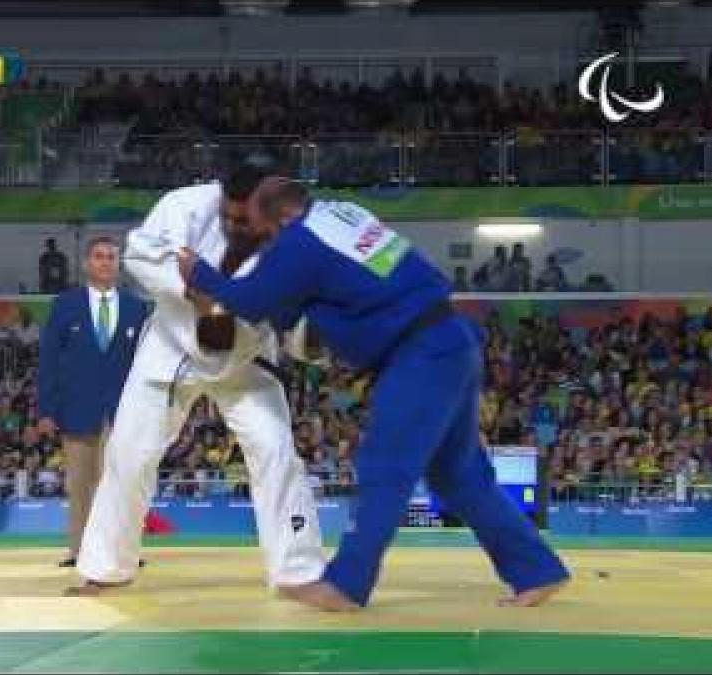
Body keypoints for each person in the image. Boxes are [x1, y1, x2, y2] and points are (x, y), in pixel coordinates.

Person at [179, 178, 569, 611]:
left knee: (383, 466)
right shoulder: (344, 213)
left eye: (264, 230)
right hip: (452, 339)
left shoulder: (299, 241)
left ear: (281, 217)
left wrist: (198, 272)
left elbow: (249, 300)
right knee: (458, 474)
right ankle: (537, 571)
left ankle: (346, 585)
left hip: (418, 354)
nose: (267, 242)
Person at [69, 165, 326, 596]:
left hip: (246, 356)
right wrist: (193, 290)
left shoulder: (296, 232)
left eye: (243, 220)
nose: (231, 224)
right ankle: (106, 568)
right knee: (130, 454)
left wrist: (312, 339)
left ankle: (298, 571)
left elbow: (300, 318)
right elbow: (138, 254)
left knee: (276, 450)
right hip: (172, 350)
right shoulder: (184, 205)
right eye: (227, 214)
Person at [38, 235, 150, 568]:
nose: (105, 262)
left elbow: (144, 363)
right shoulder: (65, 305)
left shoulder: (136, 307)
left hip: (123, 412)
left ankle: (122, 550)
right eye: (99, 257)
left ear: (120, 264)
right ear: (87, 263)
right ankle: (79, 550)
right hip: (75, 409)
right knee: (79, 484)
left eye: (112, 257)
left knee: (120, 484)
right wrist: (46, 409)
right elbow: (48, 360)